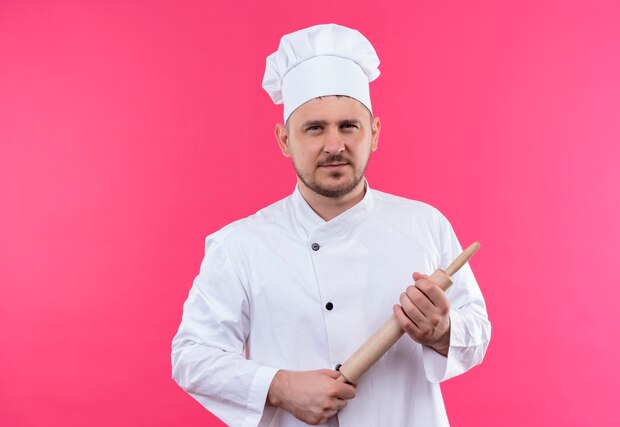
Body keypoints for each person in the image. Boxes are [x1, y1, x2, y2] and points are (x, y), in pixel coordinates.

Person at [172, 23, 490, 427]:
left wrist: (441, 331)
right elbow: (191, 355)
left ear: (373, 133)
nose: (334, 145)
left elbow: (478, 332)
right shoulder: (240, 245)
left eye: (349, 126)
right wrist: (279, 386)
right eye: (315, 128)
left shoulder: (426, 225)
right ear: (284, 139)